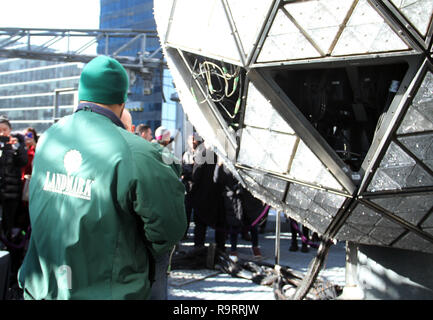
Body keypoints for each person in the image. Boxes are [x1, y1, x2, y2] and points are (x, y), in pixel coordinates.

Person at [18, 55, 187, 300]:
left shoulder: (50, 137)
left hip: (42, 288)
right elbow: (169, 228)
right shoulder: (140, 153)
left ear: (82, 94)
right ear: (122, 100)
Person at [213, 161, 263, 261]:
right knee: (234, 224)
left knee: (252, 223)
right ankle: (233, 250)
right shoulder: (223, 162)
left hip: (246, 197)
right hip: (233, 199)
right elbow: (217, 179)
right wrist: (219, 165)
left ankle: (255, 247)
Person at [191, 141, 226, 252]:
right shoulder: (223, 154)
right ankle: (220, 249)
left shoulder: (202, 153)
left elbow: (196, 175)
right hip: (219, 195)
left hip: (203, 194)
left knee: (200, 225)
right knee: (220, 225)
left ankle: (198, 247)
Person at [0, 116, 28, 241]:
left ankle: (8, 245)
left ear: (10, 130)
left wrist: (16, 147)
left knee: (8, 222)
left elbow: (23, 161)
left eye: (5, 129)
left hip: (11, 192)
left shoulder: (17, 144)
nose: (2, 133)